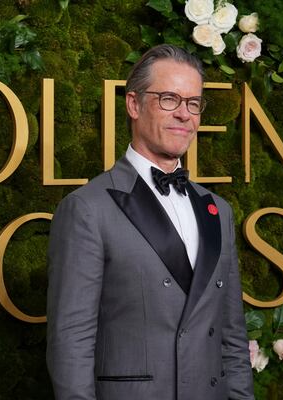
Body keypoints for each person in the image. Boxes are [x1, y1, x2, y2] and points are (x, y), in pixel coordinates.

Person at [46, 44, 254, 400]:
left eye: (192, 103)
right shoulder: (87, 208)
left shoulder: (218, 210)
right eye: (169, 99)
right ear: (133, 104)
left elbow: (231, 336)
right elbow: (71, 343)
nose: (185, 114)